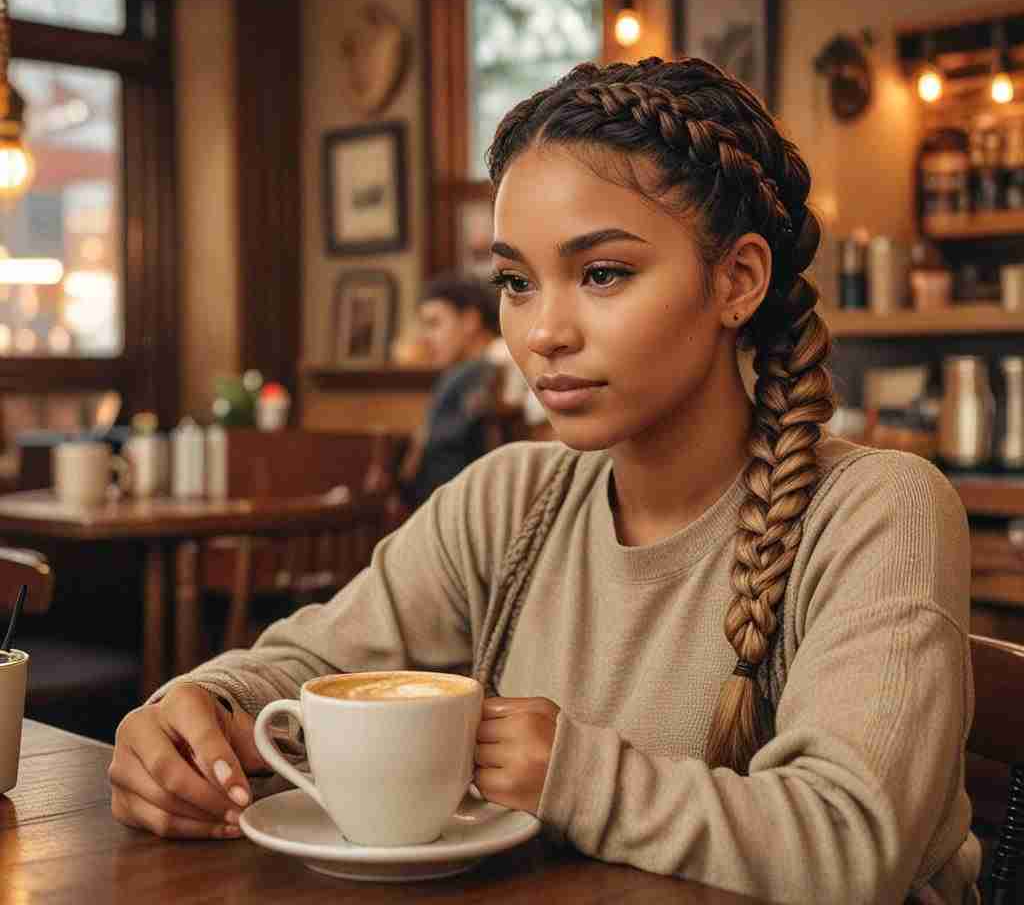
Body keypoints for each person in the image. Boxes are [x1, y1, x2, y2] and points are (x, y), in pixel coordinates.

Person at [108, 57, 978, 905]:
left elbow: (850, 843)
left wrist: (572, 772)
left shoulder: (877, 509)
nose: (542, 333)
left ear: (737, 281)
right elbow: (315, 663)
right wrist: (200, 707)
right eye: (517, 282)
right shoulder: (509, 499)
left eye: (603, 273)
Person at [369, 272, 502, 511]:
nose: (426, 338)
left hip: (453, 510)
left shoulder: (474, 374)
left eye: (434, 323)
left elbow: (435, 465)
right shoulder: (472, 372)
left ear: (470, 321)